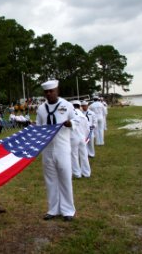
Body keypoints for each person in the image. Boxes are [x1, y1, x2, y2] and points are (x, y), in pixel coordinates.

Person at [35, 80, 77, 222]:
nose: (49, 94)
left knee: (65, 178)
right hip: (47, 149)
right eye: (46, 92)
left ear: (57, 90)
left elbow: (78, 119)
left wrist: (71, 123)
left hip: (62, 148)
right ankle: (53, 209)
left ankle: (68, 210)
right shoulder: (41, 109)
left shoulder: (67, 105)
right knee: (50, 180)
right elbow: (39, 126)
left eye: (51, 91)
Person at [70, 100, 91, 178]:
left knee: (74, 155)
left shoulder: (70, 114)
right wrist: (85, 137)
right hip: (82, 137)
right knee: (84, 155)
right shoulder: (83, 115)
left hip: (73, 137)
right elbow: (87, 129)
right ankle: (86, 172)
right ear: (80, 106)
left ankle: (76, 173)